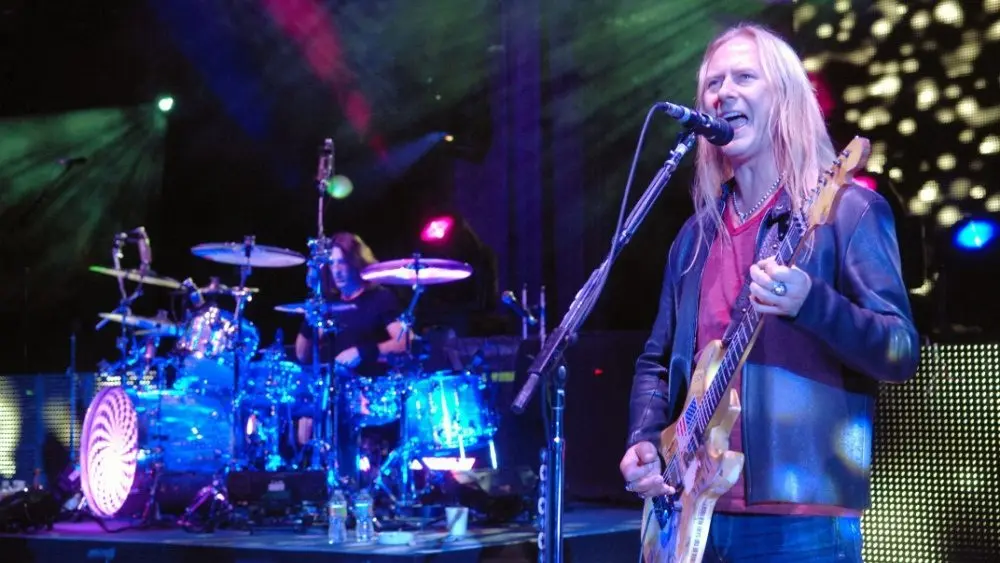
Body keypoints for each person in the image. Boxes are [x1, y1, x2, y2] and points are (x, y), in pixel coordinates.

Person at [618, 23, 920, 562]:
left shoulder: (848, 211)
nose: (722, 93)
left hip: (801, 517)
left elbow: (899, 350)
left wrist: (813, 304)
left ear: (784, 98)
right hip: (692, 514)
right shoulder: (695, 235)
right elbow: (657, 359)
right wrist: (644, 437)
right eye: (713, 83)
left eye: (744, 78)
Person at [293, 232, 412, 483]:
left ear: (357, 263)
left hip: (368, 392)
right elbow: (302, 354)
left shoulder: (379, 299)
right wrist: (310, 314)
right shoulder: (330, 305)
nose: (337, 270)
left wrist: (363, 351)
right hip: (330, 392)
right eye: (332, 263)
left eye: (343, 262)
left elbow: (404, 341)